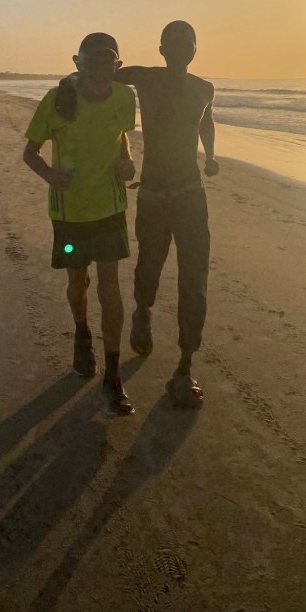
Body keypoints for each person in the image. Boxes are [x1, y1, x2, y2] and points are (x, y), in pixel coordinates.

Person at [23, 32, 137, 416]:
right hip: (70, 214)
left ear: (117, 67)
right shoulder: (57, 100)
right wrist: (50, 175)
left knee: (110, 286)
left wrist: (127, 163)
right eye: (94, 65)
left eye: (110, 64)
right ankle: (83, 334)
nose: (101, 73)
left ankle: (113, 374)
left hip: (109, 209)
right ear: (79, 64)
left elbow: (121, 140)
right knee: (77, 282)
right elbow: (30, 153)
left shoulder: (125, 98)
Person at [116, 20, 219, 407]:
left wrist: (210, 155)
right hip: (155, 194)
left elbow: (205, 119)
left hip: (192, 194)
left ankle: (185, 367)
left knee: (195, 279)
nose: (180, 49)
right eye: (172, 43)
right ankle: (143, 310)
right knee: (150, 265)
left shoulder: (203, 88)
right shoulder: (146, 78)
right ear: (161, 49)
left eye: (187, 43)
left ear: (195, 50)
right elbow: (103, 78)